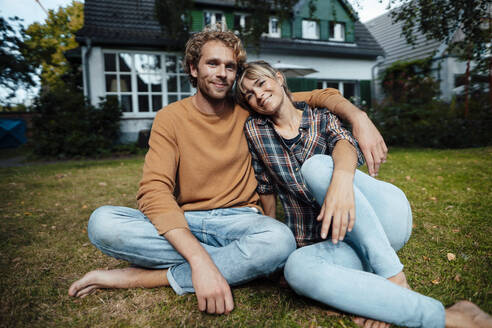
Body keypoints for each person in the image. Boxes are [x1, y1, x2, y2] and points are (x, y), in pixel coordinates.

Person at [68, 25, 390, 315]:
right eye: (212, 64)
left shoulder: (250, 107)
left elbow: (320, 96)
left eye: (230, 66)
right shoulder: (170, 118)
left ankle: (148, 277)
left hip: (242, 221)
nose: (222, 73)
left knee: (278, 240)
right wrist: (199, 261)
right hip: (189, 220)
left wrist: (358, 117)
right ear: (193, 68)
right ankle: (231, 262)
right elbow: (154, 191)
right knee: (103, 223)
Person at [236, 60, 492, 328]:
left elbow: (345, 144)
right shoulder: (255, 130)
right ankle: (444, 314)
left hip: (384, 218)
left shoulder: (320, 115)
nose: (258, 95)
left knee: (317, 167)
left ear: (279, 78)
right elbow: (265, 186)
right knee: (297, 269)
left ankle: (393, 276)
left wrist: (340, 181)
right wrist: (276, 248)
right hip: (337, 240)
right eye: (249, 95)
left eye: (262, 84)